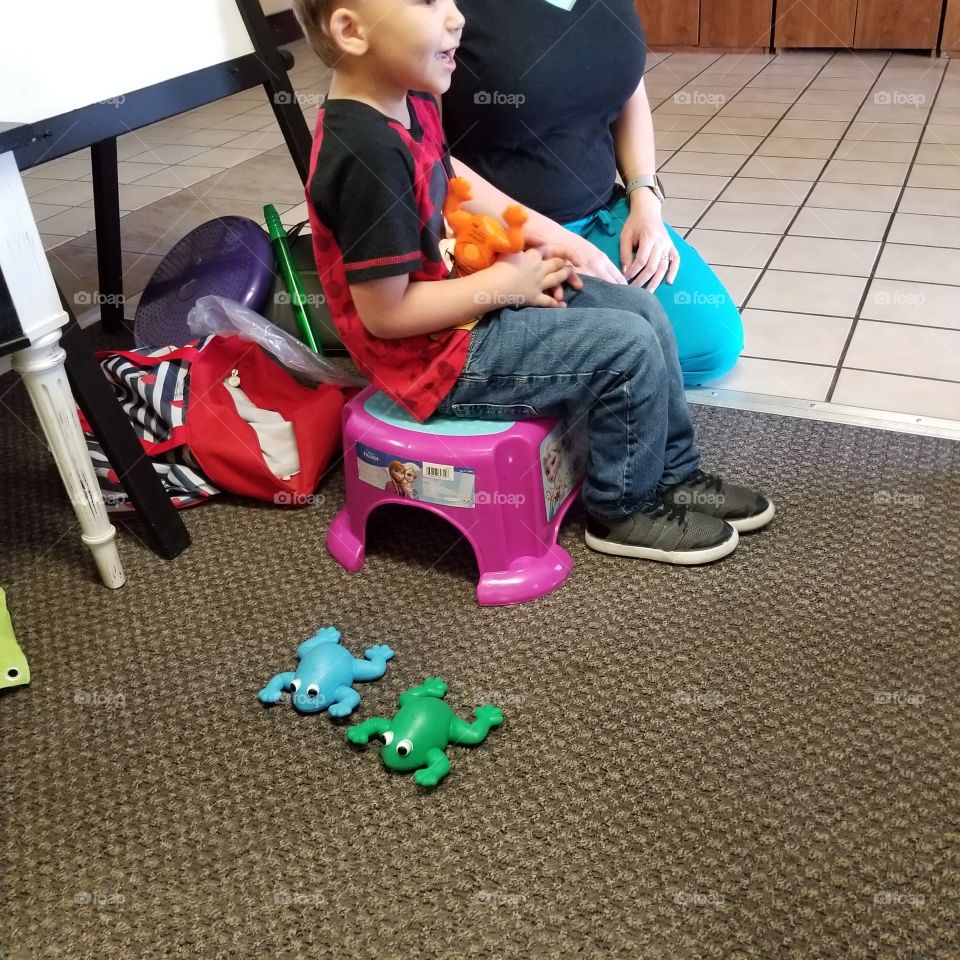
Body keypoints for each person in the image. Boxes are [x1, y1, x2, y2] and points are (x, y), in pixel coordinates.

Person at [293, 0, 774, 565]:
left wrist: (543, 245)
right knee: (627, 347)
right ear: (351, 31)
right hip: (434, 360)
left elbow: (453, 182)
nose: (457, 17)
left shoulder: (408, 99)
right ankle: (622, 509)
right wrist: (505, 283)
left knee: (638, 309)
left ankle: (674, 473)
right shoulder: (367, 154)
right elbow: (386, 317)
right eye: (428, 3)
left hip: (470, 308)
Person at [442, 0, 744, 387]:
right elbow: (427, 154)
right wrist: (554, 239)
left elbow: (629, 89)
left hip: (599, 215)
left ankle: (568, 370)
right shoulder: (445, 10)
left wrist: (644, 198)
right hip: (493, 238)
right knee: (621, 348)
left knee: (710, 343)